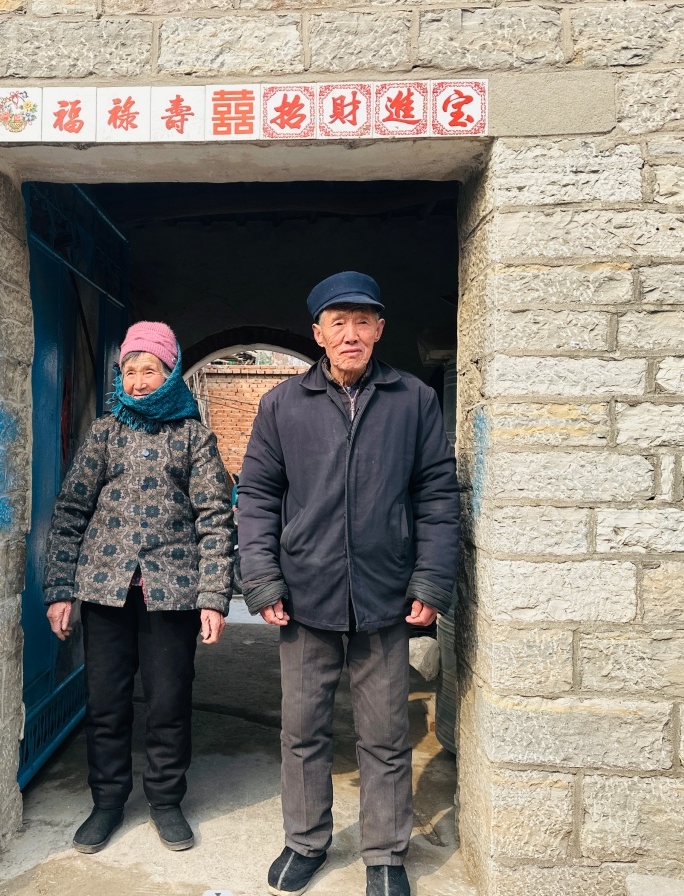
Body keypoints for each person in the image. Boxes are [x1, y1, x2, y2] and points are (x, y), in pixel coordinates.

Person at [238, 272, 460, 896]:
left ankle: (385, 853)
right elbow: (257, 496)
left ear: (380, 329)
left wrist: (430, 581)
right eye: (339, 322)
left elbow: (437, 496)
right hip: (304, 596)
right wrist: (262, 579)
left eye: (363, 322)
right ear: (318, 333)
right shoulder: (282, 405)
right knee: (302, 731)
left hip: (385, 597)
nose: (351, 334)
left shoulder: (413, 400)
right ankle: (305, 840)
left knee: (385, 734)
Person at [43, 321, 235, 855]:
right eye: (130, 371)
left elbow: (215, 519)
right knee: (106, 703)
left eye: (150, 370)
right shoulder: (105, 433)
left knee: (169, 702)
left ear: (170, 373)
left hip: (171, 593)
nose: (139, 381)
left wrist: (213, 598)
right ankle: (107, 802)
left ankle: (166, 801)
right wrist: (60, 590)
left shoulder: (194, 437)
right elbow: (71, 511)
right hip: (105, 591)